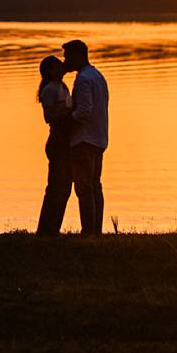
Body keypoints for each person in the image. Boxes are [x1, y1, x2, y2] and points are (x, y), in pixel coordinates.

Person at [62, 38, 109, 235]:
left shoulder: (83, 79)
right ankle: (95, 230)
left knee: (83, 188)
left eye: (67, 57)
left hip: (84, 140)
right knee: (95, 185)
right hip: (99, 138)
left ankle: (89, 230)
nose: (65, 61)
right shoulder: (98, 76)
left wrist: (66, 121)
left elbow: (84, 111)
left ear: (77, 56)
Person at [35, 55, 72, 235]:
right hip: (57, 140)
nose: (62, 66)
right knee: (55, 187)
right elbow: (48, 117)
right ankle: (45, 230)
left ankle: (52, 229)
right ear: (50, 70)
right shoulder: (49, 89)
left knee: (64, 187)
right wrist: (70, 109)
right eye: (58, 65)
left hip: (65, 140)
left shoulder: (63, 87)